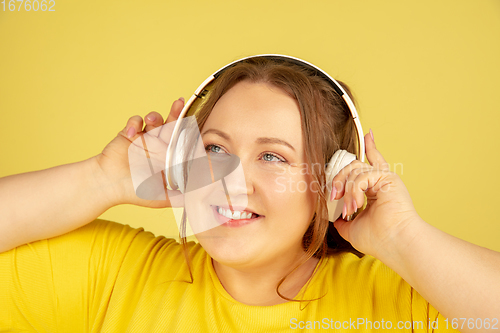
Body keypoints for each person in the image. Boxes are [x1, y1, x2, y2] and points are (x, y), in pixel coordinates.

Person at [0, 56, 498, 332]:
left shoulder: (397, 301)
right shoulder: (115, 275)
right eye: (215, 149)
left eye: (274, 156)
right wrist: (103, 180)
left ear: (331, 180)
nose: (230, 181)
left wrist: (403, 237)